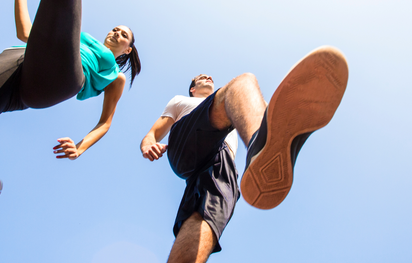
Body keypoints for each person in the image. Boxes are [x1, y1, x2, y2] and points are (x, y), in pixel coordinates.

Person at [0, 0, 141, 255]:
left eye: (123, 34)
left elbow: (105, 123)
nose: (116, 33)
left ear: (127, 49)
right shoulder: (76, 36)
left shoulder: (115, 75)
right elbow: (25, 33)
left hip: (60, 78)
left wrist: (80, 148)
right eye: (115, 28)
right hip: (12, 65)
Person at [140, 46, 348, 262]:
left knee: (205, 220)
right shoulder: (181, 101)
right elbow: (153, 133)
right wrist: (149, 145)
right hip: (186, 147)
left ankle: (273, 144)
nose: (208, 77)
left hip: (223, 162)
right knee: (241, 83)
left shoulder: (237, 108)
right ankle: (262, 145)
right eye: (201, 77)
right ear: (192, 89)